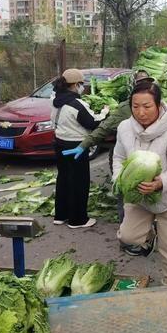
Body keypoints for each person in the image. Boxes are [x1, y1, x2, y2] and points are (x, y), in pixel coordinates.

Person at [62, 70, 155, 256]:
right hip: (127, 160)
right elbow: (104, 128)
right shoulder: (125, 109)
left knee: (148, 195)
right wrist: (84, 145)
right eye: (141, 83)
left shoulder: (160, 106)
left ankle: (147, 232)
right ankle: (128, 238)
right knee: (125, 196)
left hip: (150, 160)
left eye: (148, 83)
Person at [114, 81, 167, 285]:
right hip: (139, 196)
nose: (141, 112)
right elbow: (118, 157)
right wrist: (120, 179)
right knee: (128, 237)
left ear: (159, 105)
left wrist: (161, 183)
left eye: (147, 106)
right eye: (135, 106)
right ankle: (150, 235)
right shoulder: (124, 128)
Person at [51, 68, 105, 229]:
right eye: (81, 84)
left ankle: (60, 215)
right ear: (75, 85)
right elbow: (91, 123)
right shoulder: (77, 104)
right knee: (79, 182)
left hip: (59, 143)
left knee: (64, 179)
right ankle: (78, 220)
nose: (83, 87)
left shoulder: (54, 99)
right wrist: (104, 113)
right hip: (76, 146)